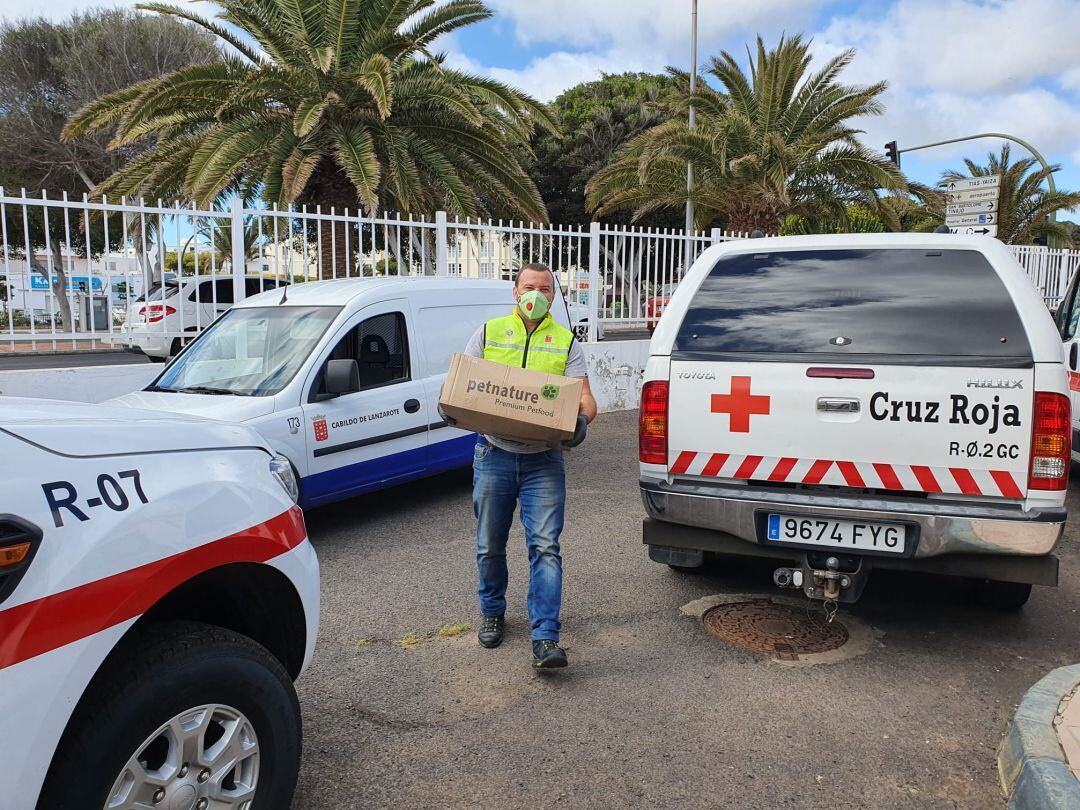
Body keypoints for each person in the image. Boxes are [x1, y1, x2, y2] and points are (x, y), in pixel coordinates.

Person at [458, 263, 597, 670]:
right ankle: (492, 611)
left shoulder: (565, 341)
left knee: (546, 547)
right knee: (489, 545)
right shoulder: (489, 332)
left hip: (544, 461)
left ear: (553, 296)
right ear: (515, 292)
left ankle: (546, 637)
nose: (536, 294)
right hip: (493, 455)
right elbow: (467, 382)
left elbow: (587, 399)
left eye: (545, 289)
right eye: (528, 287)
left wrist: (581, 423)